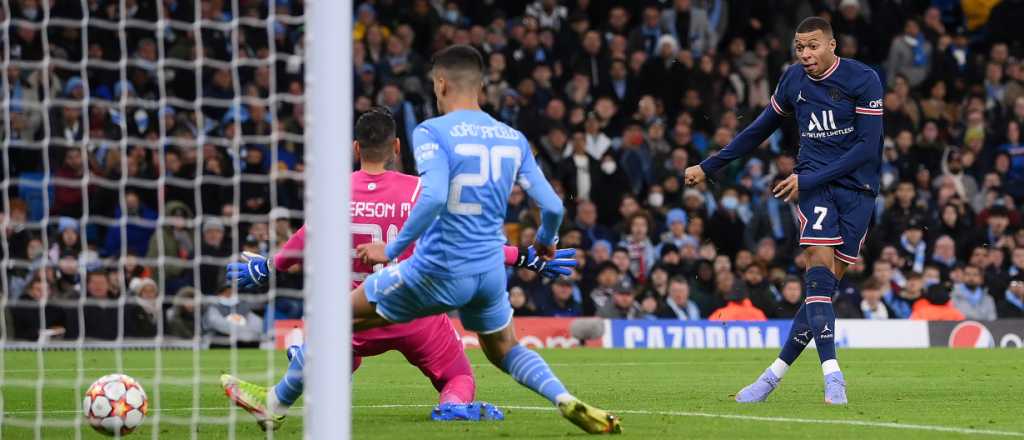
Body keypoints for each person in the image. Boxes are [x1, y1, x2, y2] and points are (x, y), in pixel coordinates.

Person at [220, 105, 580, 428]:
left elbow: (304, 240)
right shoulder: (420, 192)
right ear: (396, 148)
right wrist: (525, 258)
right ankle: (452, 407)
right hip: (415, 312)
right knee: (459, 377)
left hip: (356, 313)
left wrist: (268, 267)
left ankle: (305, 369)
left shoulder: (334, 191)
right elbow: (462, 243)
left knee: (333, 345)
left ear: (356, 149)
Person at [355, 45, 618, 433]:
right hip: (489, 273)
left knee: (336, 317)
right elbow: (553, 207)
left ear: (441, 83)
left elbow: (432, 197)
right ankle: (563, 397)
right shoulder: (511, 138)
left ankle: (278, 397)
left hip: (438, 268)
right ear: (480, 85)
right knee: (505, 348)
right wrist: (546, 242)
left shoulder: (431, 131)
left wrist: (390, 248)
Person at [685, 17, 883, 405]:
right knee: (817, 276)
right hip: (814, 185)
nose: (805, 55)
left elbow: (866, 147)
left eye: (812, 46)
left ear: (832, 45)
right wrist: (710, 165)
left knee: (821, 292)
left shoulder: (864, 80)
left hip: (859, 189)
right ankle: (833, 376)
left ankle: (771, 377)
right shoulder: (793, 81)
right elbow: (758, 129)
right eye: (799, 47)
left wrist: (808, 180)